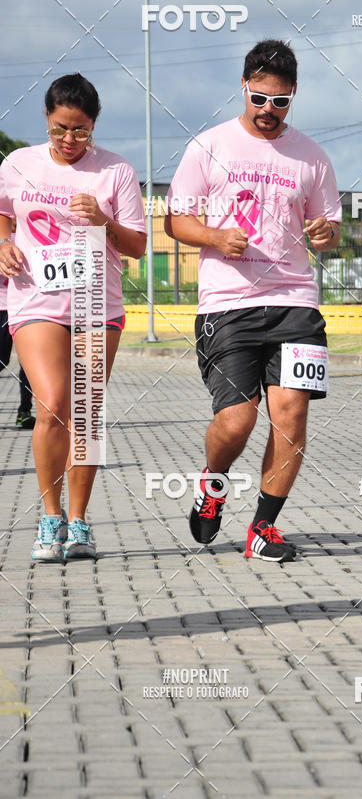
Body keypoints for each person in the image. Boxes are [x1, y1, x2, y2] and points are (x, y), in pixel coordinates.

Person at [165, 39, 341, 563]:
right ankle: (213, 483)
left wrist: (325, 233)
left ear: (294, 95)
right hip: (227, 304)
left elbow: (329, 228)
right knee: (238, 421)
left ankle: (263, 528)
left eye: (280, 101)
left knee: (291, 415)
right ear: (243, 87)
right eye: (259, 98)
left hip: (296, 301)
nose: (268, 109)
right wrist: (215, 237)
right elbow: (175, 221)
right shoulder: (209, 146)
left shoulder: (312, 156)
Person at [0, 73, 147, 561]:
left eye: (81, 130)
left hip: (96, 306)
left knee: (84, 412)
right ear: (46, 117)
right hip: (35, 299)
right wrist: (3, 242)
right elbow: (3, 212)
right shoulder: (18, 164)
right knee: (52, 404)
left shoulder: (116, 171)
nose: (69, 139)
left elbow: (138, 246)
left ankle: (79, 522)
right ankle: (50, 516)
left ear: (94, 125)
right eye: (60, 128)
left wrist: (104, 222)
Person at [0, 229, 36, 428]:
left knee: (29, 364)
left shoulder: (31, 233)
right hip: (2, 309)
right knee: (2, 360)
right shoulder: (3, 239)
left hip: (27, 308)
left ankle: (25, 411)